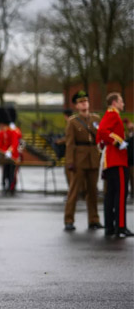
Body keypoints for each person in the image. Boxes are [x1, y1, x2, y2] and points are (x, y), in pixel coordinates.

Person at [63, 91, 103, 231]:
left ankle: (94, 219)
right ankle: (69, 220)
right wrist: (70, 162)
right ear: (76, 106)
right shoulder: (73, 122)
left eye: (85, 101)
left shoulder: (95, 119)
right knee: (74, 191)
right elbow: (70, 144)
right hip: (79, 159)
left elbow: (100, 137)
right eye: (80, 102)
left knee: (93, 191)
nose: (84, 104)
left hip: (93, 158)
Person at [96, 93, 132, 237]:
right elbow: (103, 132)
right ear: (114, 102)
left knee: (110, 195)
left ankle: (110, 226)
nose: (123, 104)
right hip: (117, 160)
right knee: (121, 194)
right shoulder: (113, 114)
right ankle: (121, 226)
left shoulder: (109, 115)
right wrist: (119, 142)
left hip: (111, 160)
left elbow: (100, 137)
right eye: (121, 101)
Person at [0, 108, 19, 195]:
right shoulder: (1, 132)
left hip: (12, 155)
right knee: (5, 171)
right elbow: (0, 143)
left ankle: (11, 187)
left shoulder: (13, 131)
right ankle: (4, 185)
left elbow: (15, 143)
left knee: (11, 172)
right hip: (4, 155)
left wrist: (9, 151)